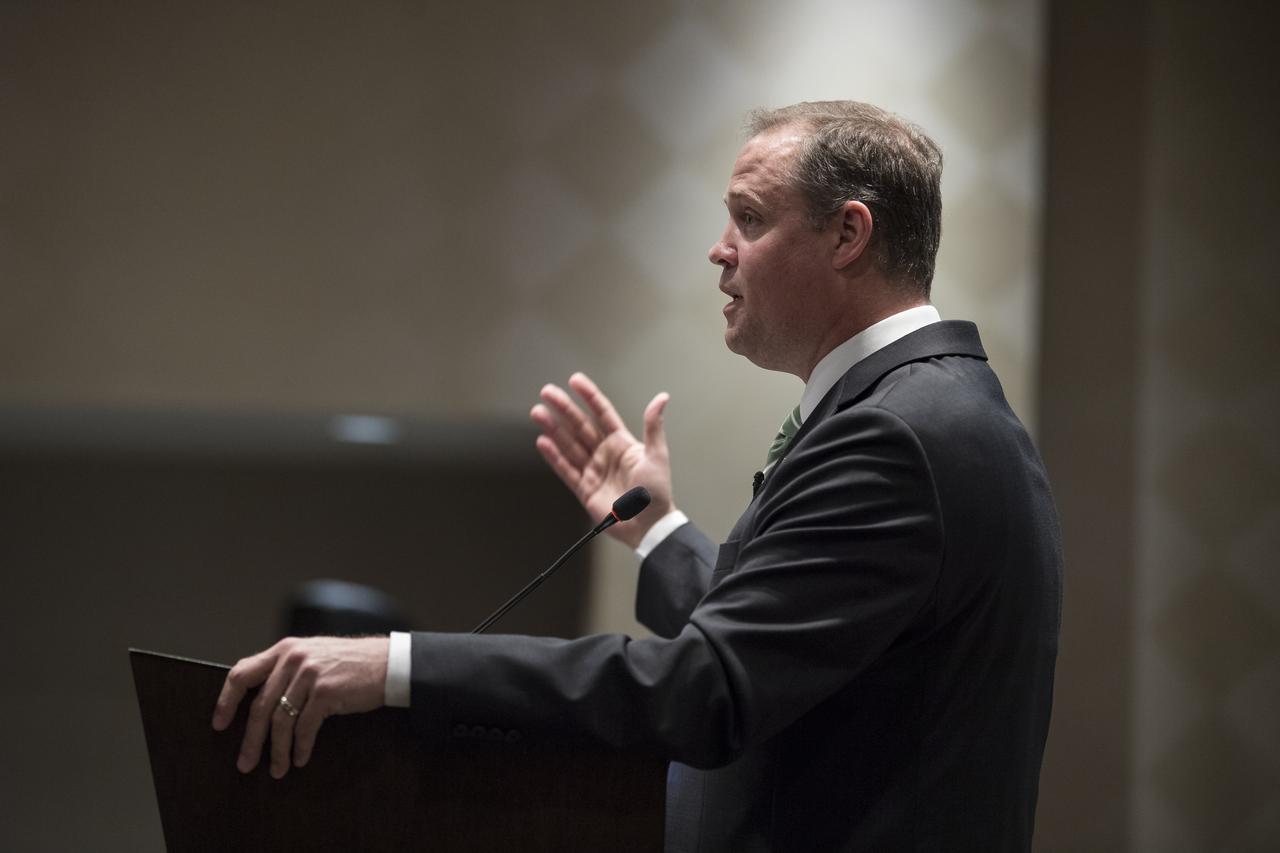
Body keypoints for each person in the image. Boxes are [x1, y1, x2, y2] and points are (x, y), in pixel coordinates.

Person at [212, 101, 1062, 852]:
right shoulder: (922, 412)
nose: (718, 251)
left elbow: (710, 687)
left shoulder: (896, 434)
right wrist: (654, 529)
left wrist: (395, 668)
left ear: (848, 234)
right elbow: (777, 645)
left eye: (749, 218)